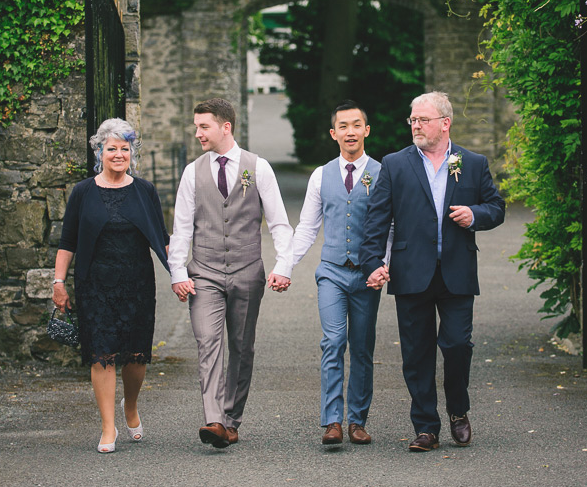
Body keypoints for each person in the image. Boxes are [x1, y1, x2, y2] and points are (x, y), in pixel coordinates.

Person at [359, 91, 505, 452]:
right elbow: (377, 219)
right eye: (412, 120)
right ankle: (426, 427)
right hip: (411, 272)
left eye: (423, 120)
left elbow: (496, 207)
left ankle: (458, 408)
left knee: (457, 344)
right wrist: (374, 262)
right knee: (416, 352)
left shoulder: (471, 162)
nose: (415, 125)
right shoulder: (395, 164)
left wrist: (476, 215)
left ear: (445, 123)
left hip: (456, 271)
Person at [169, 97, 293, 448]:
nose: (197, 134)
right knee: (208, 341)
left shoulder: (259, 168)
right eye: (196, 127)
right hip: (204, 272)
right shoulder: (192, 172)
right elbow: (181, 227)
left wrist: (284, 265)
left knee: (241, 346)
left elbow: (279, 222)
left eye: (203, 126)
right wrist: (178, 270)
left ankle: (231, 418)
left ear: (226, 126)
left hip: (247, 270)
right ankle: (213, 419)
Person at [52, 117, 170, 453]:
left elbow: (162, 240)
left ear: (132, 153)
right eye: (111, 148)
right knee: (101, 355)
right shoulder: (82, 192)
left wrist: (184, 272)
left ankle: (130, 407)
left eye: (124, 148)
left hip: (137, 285)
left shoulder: (145, 191)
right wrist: (58, 282)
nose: (118, 154)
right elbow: (67, 242)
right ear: (99, 153)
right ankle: (108, 427)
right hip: (95, 286)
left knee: (136, 356)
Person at [291, 101, 389, 446]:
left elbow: (391, 228)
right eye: (343, 126)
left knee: (362, 347)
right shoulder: (321, 175)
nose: (350, 131)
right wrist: (284, 266)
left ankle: (357, 421)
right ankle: (332, 420)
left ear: (366, 131)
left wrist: (383, 266)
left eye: (356, 125)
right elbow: (306, 227)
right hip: (331, 272)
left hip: (367, 276)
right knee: (333, 342)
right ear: (334, 134)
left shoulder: (382, 173)